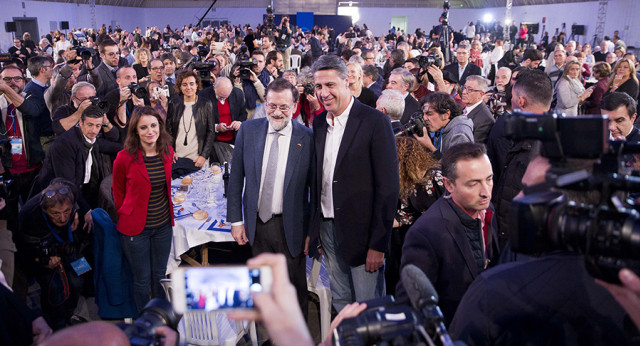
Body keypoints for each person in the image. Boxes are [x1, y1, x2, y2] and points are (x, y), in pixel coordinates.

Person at [308, 55, 399, 312]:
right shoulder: (318, 122)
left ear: (347, 81)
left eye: (330, 85)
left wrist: (378, 244)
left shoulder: (374, 122)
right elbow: (319, 179)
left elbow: (388, 187)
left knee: (368, 307)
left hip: (364, 234)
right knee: (341, 301)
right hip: (328, 228)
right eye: (318, 87)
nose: (323, 93)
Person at [228, 78, 313, 315]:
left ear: (295, 106)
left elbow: (314, 191)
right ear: (264, 104)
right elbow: (236, 179)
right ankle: (270, 336)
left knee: (293, 289)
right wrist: (236, 221)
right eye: (272, 105)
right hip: (257, 225)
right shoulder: (248, 130)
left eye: (284, 107)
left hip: (291, 228)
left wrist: (311, 233)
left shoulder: (307, 138)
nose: (277, 112)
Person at [395, 142, 499, 326]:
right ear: (448, 184)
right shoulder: (426, 233)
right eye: (474, 183)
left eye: (489, 179)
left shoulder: (487, 209)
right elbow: (411, 306)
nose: (485, 192)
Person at [112, 106, 174, 313]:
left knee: (160, 275)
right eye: (144, 127)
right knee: (142, 280)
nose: (150, 131)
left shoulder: (167, 151)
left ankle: (158, 317)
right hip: (135, 229)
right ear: (135, 131)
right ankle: (143, 320)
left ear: (160, 126)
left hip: (163, 226)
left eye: (154, 126)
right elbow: (117, 191)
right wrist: (127, 212)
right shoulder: (124, 157)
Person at [488, 69, 553, 249]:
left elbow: (512, 197)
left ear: (521, 101)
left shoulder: (533, 146)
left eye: (514, 98)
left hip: (517, 245)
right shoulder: (556, 137)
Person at [15, 180, 89, 330]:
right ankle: (56, 326)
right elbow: (25, 251)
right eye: (55, 213)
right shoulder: (30, 216)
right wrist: (41, 260)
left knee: (79, 279)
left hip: (68, 244)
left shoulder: (70, 191)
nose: (62, 218)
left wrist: (74, 211)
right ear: (44, 209)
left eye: (66, 211)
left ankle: (69, 314)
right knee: (55, 289)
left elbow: (60, 180)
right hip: (43, 252)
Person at [387, 136, 444, 296]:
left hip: (437, 242)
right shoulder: (409, 182)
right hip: (418, 239)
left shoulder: (435, 177)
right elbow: (407, 214)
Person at [166, 70, 214, 178]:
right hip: (177, 157)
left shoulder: (206, 104)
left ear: (197, 85)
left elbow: (210, 132)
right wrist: (170, 150)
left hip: (197, 157)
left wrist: (204, 155)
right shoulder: (174, 103)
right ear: (180, 87)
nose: (188, 87)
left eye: (191, 84)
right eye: (184, 84)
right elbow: (168, 130)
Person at [199, 76, 247, 162]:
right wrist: (216, 127)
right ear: (214, 87)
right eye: (221, 97)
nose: (224, 99)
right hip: (213, 141)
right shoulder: (203, 96)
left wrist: (239, 122)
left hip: (234, 138)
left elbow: (243, 113)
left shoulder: (237, 93)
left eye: (226, 97)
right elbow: (200, 121)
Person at [413, 92, 474, 157]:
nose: (424, 118)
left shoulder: (460, 134)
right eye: (424, 114)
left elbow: (457, 166)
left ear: (446, 114)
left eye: (429, 114)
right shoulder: (441, 127)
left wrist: (430, 147)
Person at [25, 56, 55, 151]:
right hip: (44, 138)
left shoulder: (44, 86)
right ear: (42, 69)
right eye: (50, 66)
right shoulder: (31, 90)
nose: (52, 69)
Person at [461, 76, 495, 143]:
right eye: (464, 88)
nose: (464, 92)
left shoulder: (486, 119)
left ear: (481, 94)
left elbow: (474, 148)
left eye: (469, 90)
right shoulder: (462, 109)